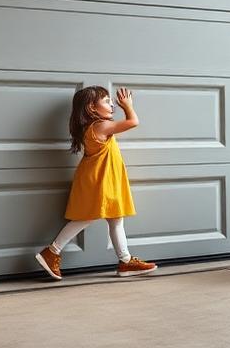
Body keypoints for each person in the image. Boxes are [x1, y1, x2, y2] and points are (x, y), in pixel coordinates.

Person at [36, 86, 157, 280]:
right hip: (101, 180)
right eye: (106, 101)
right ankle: (52, 252)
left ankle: (125, 261)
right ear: (92, 108)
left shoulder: (92, 127)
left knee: (115, 218)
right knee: (88, 217)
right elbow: (133, 121)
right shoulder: (100, 126)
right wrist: (127, 105)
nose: (111, 104)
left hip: (103, 178)